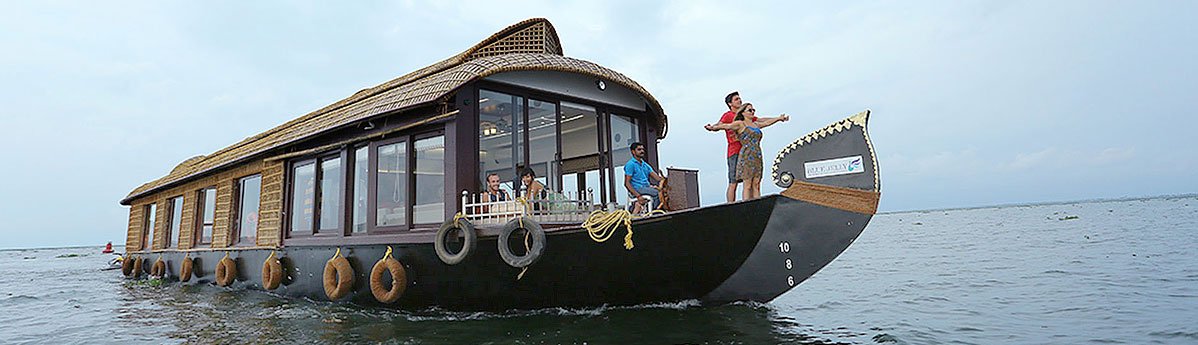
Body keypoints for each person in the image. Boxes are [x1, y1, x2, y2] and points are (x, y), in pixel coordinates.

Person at [705, 103, 789, 200]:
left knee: (756, 184)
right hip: (746, 154)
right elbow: (726, 126)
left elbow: (766, 122)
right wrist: (712, 128)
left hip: (757, 155)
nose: (752, 112)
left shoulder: (756, 124)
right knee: (748, 184)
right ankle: (747, 205)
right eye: (750, 110)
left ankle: (758, 205)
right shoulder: (740, 124)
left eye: (754, 110)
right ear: (743, 112)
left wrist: (779, 119)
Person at [623, 142, 665, 212]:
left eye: (642, 149)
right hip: (637, 188)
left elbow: (657, 178)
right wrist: (638, 196)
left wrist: (668, 179)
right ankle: (652, 212)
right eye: (639, 149)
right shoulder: (630, 164)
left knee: (663, 192)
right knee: (658, 194)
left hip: (646, 188)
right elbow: (627, 183)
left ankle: (652, 209)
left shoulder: (645, 165)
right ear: (633, 152)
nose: (642, 151)